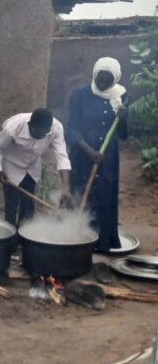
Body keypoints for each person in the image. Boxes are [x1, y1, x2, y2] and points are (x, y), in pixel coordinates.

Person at [66, 57, 129, 252]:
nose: (101, 84)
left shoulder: (121, 96)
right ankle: (76, 240)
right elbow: (71, 129)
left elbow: (123, 135)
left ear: (116, 79)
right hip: (83, 154)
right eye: (99, 79)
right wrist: (90, 151)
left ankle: (101, 243)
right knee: (81, 194)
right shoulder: (80, 94)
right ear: (94, 75)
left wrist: (123, 119)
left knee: (103, 197)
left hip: (107, 157)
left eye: (107, 80)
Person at [0, 108, 73, 227]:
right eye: (39, 133)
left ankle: (24, 236)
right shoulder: (12, 129)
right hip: (11, 164)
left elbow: (62, 156)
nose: (42, 136)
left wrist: (65, 186)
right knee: (12, 204)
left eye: (45, 133)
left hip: (32, 165)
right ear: (30, 125)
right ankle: (9, 236)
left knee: (28, 204)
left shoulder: (56, 128)